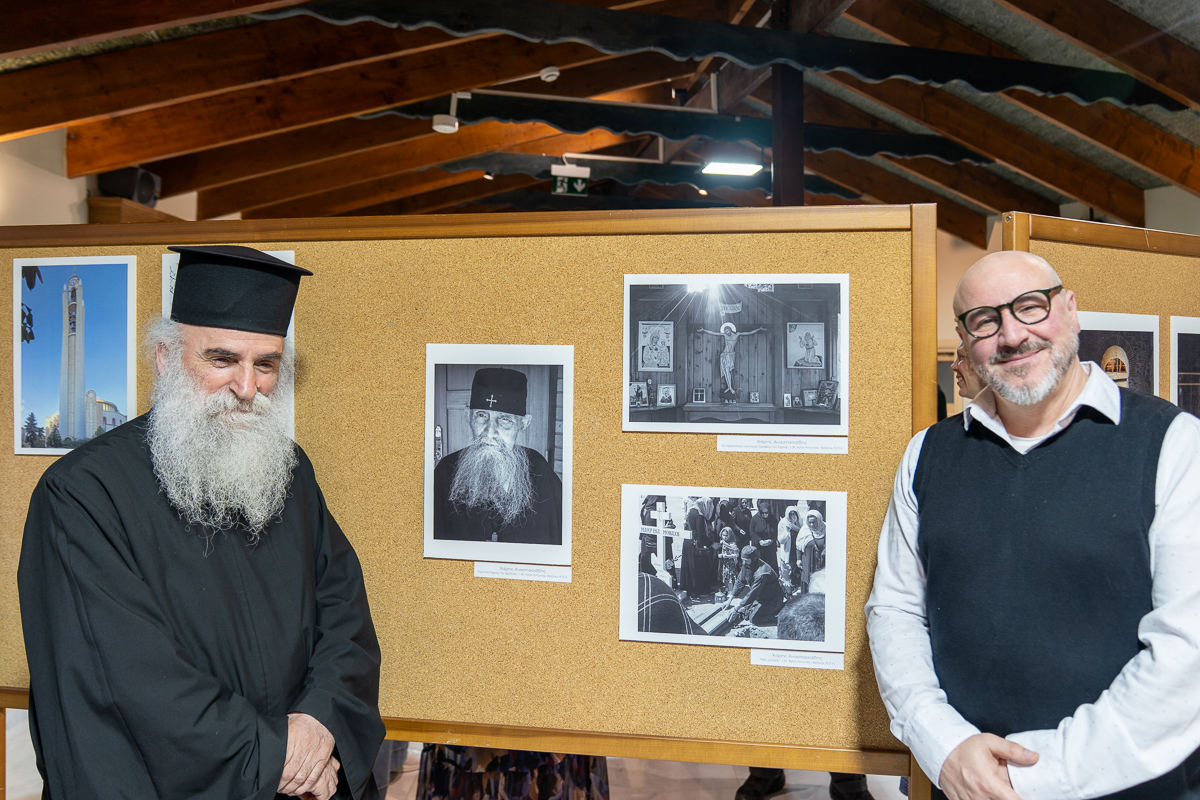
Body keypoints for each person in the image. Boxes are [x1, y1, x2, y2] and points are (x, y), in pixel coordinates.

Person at [18, 245, 384, 800]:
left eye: (266, 365)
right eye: (222, 360)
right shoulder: (82, 495)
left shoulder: (291, 472)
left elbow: (345, 616)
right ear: (166, 357)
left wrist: (319, 721)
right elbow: (127, 683)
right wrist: (276, 754)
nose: (247, 387)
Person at [866, 251, 1200, 800]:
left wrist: (1023, 779)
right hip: (961, 785)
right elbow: (895, 610)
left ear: (1070, 309)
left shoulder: (1173, 443)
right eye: (985, 320)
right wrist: (945, 747)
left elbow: (1186, 658)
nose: (1013, 335)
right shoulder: (928, 454)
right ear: (964, 340)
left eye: (1030, 307)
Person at [433, 367, 563, 544]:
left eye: (505, 419)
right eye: (481, 415)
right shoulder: (445, 472)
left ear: (523, 423)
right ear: (468, 417)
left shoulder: (540, 469)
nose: (490, 432)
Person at [729, 546, 784, 626]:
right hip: (762, 598)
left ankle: (779, 616)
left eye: (746, 561)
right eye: (743, 560)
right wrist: (730, 599)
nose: (744, 563)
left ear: (754, 559)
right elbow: (740, 581)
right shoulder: (748, 565)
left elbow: (753, 593)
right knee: (746, 613)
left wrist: (736, 608)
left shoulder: (761, 573)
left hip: (773, 600)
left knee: (754, 618)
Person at [797, 509, 826, 595]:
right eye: (810, 522)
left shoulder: (825, 528)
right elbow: (798, 546)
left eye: (814, 522)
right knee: (807, 579)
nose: (812, 525)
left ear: (819, 521)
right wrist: (799, 559)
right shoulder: (804, 530)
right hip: (808, 561)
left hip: (821, 562)